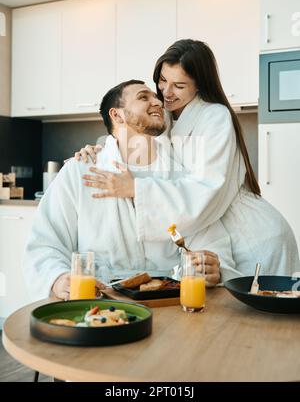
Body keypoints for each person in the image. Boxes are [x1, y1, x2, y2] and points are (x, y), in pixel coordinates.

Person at [75, 39, 300, 277]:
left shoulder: (215, 117)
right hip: (212, 233)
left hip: (252, 238)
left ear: (199, 86)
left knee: (259, 311)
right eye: (163, 80)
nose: (166, 93)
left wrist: (137, 189)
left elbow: (206, 190)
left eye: (179, 86)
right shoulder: (166, 116)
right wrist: (103, 149)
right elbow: (138, 140)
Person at [24, 79, 222, 301]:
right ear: (117, 115)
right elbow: (45, 241)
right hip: (99, 298)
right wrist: (58, 278)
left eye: (155, 97)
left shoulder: (181, 173)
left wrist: (209, 265)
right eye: (143, 97)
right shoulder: (80, 170)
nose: (157, 101)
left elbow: (206, 235)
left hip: (168, 300)